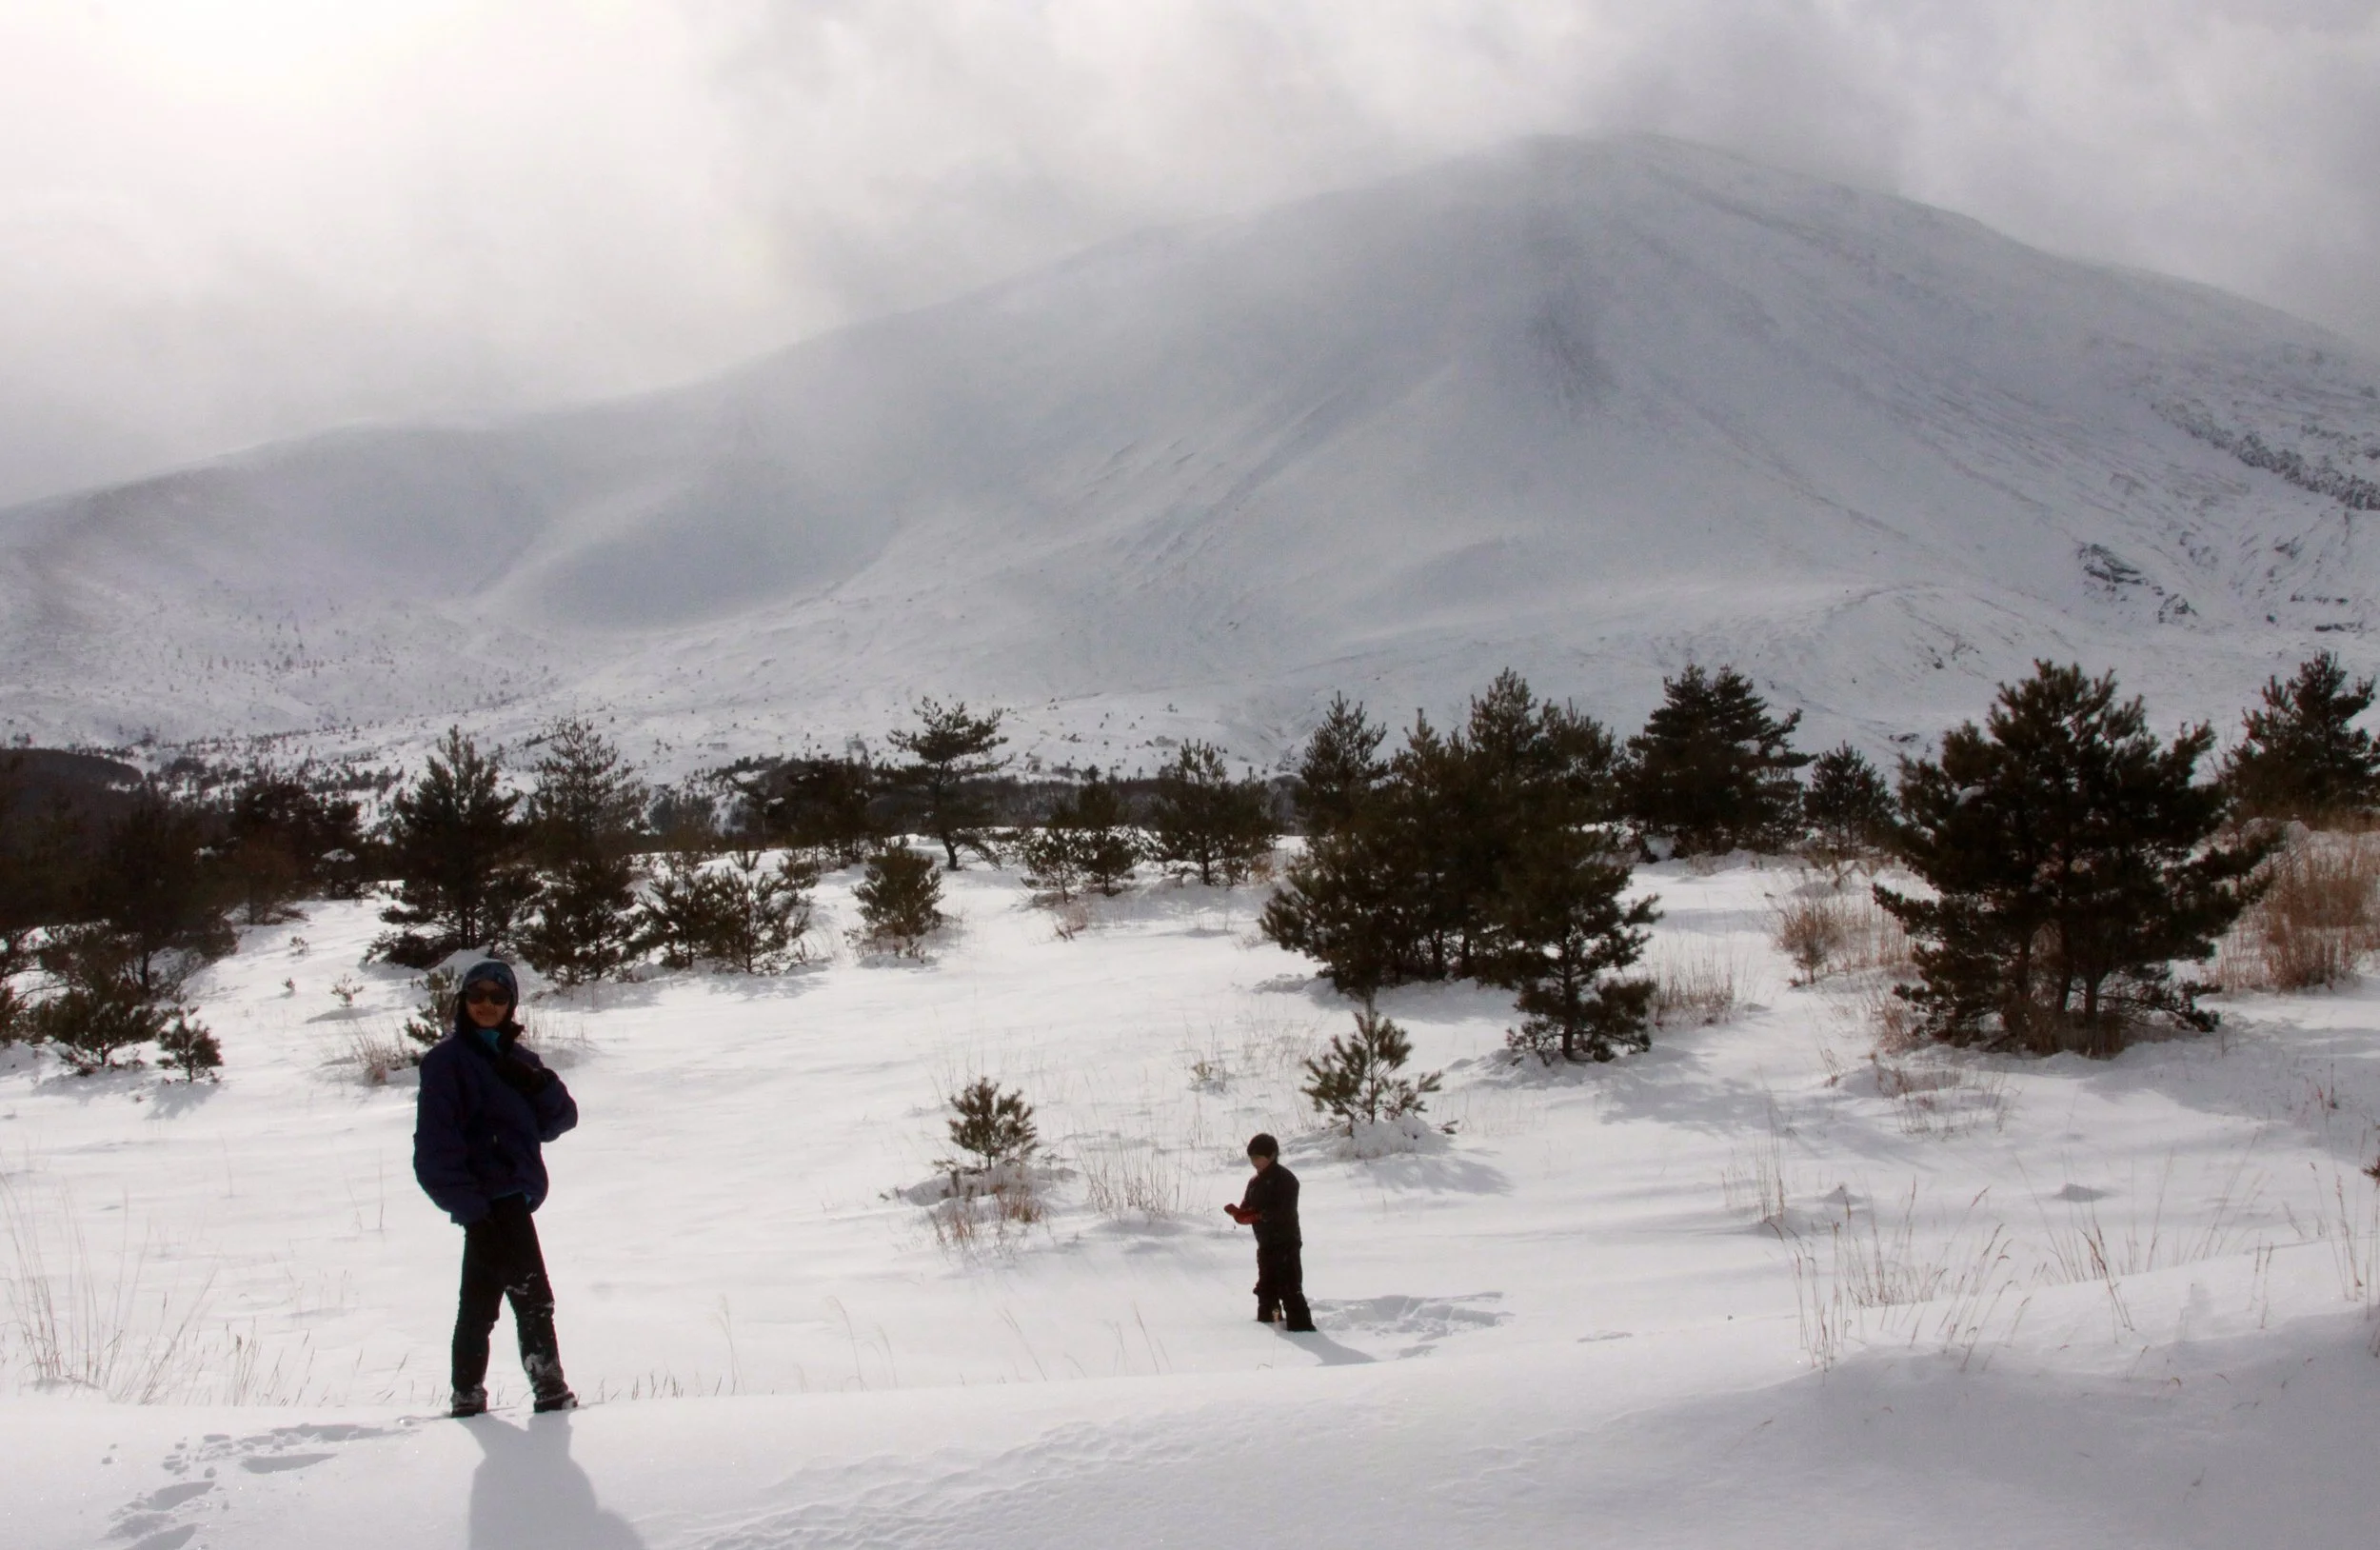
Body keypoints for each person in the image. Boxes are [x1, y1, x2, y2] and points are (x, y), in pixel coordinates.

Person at [413, 959, 581, 1417]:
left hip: (510, 1198)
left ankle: (467, 1399)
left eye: (498, 997)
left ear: (510, 1004)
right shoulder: (447, 1062)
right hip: (491, 1201)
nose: (486, 1005)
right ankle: (550, 1393)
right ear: (462, 1001)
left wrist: (537, 1081)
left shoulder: (517, 1060)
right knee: (533, 1299)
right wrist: (471, 1210)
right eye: (477, 996)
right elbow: (433, 1151)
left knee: (480, 1304)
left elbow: (561, 1119)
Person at [1223, 1132, 1314, 1331]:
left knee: (1290, 1289)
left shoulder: (1286, 1179)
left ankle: (1302, 1331)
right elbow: (1247, 1206)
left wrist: (1259, 1216)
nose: (1254, 1163)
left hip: (1286, 1244)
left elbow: (1283, 1211)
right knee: (1266, 1290)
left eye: (1257, 1158)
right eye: (1251, 1159)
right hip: (1265, 1244)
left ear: (1271, 1155)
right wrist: (1240, 1215)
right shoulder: (1254, 1183)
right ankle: (1272, 1326)